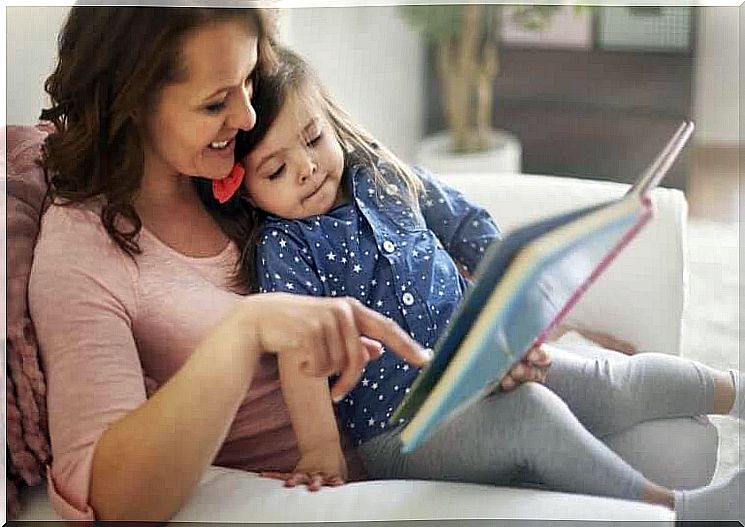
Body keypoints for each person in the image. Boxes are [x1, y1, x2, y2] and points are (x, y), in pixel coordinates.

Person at [224, 47, 743, 521]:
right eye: (276, 170)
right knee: (531, 414)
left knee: (611, 380)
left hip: (487, 363)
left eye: (313, 139)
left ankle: (735, 388)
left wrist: (516, 314)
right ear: (246, 193)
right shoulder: (285, 248)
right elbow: (302, 359)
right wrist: (320, 452)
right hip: (402, 429)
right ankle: (681, 511)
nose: (309, 168)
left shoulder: (381, 175)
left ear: (330, 123)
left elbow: (471, 228)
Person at [28, 7, 433, 522]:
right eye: (216, 101)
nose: (247, 117)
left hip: (430, 404)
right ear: (131, 101)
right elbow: (109, 498)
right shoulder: (83, 253)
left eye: (248, 80)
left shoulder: (250, 165)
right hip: (365, 489)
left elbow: (393, 213)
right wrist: (246, 330)